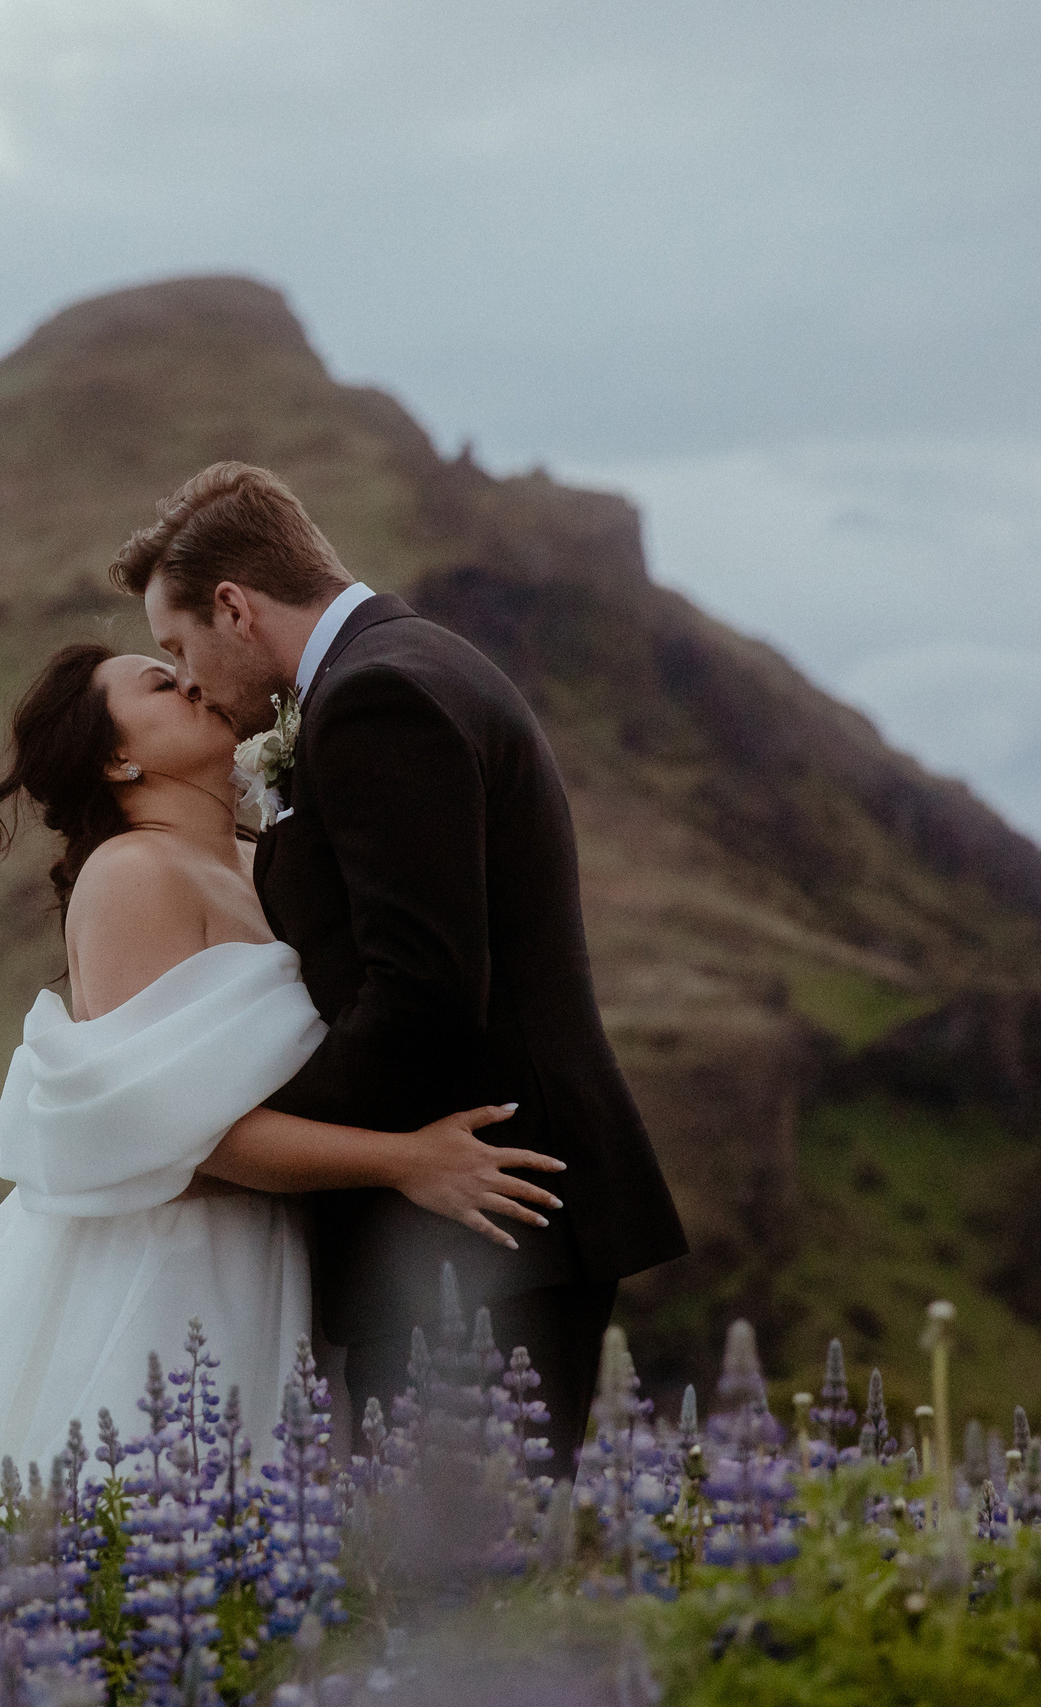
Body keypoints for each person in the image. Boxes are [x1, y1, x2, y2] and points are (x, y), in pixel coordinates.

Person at [0, 640, 565, 1576]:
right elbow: (173, 1134)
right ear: (118, 759)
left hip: (277, 1251)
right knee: (127, 1546)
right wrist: (407, 1159)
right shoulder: (133, 874)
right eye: (160, 685)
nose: (193, 681)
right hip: (164, 1267)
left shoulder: (259, 858)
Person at [120, 461, 689, 1465]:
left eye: (178, 648)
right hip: (477, 1218)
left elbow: (419, 992)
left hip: (479, 1224)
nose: (191, 682)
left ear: (234, 607)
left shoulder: (380, 697)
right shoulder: (395, 668)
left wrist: (253, 1138)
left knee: (455, 1593)